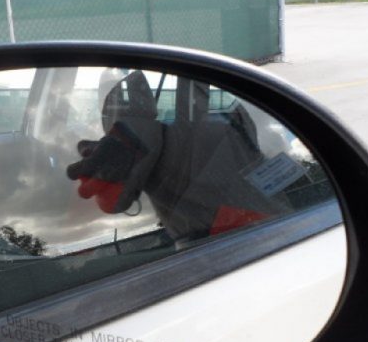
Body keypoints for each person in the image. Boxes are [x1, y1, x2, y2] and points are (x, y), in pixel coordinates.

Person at [66, 70, 289, 241]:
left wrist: (124, 139)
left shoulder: (157, 139)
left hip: (227, 240)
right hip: (272, 226)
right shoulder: (232, 121)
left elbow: (114, 199)